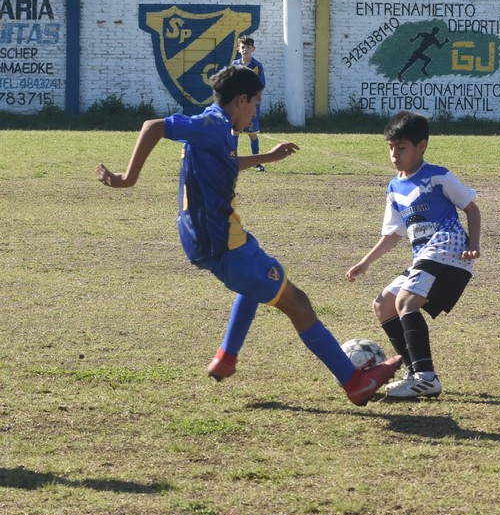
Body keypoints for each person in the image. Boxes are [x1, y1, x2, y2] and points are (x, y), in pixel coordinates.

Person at [95, 64, 401, 406]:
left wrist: (267, 156)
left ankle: (226, 358)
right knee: (298, 303)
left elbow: (224, 160)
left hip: (214, 239)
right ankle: (354, 382)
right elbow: (154, 126)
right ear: (241, 100)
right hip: (225, 243)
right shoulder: (211, 125)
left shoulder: (221, 127)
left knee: (254, 285)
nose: (256, 111)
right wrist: (128, 177)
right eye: (255, 103)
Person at [346, 111, 481, 399]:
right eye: (390, 147)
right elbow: (393, 234)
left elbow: (471, 207)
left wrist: (475, 244)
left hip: (450, 249)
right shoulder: (394, 188)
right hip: (426, 256)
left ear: (421, 147)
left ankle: (426, 377)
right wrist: (365, 262)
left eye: (402, 147)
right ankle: (415, 372)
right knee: (383, 304)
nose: (394, 154)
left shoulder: (437, 176)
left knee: (406, 301)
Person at [232, 35, 267, 172]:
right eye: (243, 47)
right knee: (234, 132)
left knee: (252, 133)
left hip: (250, 106)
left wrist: (254, 104)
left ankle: (256, 162)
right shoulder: (234, 65)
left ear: (253, 49)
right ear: (238, 49)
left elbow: (261, 86)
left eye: (248, 47)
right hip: (237, 106)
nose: (245, 49)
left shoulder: (257, 66)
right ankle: (233, 160)